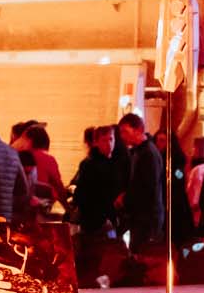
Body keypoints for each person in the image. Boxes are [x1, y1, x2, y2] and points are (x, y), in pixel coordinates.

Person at [114, 111, 168, 258]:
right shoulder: (139, 152)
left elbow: (145, 187)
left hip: (147, 218)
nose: (122, 136)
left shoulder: (147, 153)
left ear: (138, 130)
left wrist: (125, 199)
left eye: (125, 132)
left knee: (143, 258)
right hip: (142, 216)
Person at [71, 124, 120, 270]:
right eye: (104, 140)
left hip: (101, 218)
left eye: (111, 139)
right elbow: (85, 193)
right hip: (96, 219)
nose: (109, 144)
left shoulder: (111, 162)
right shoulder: (91, 164)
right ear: (96, 142)